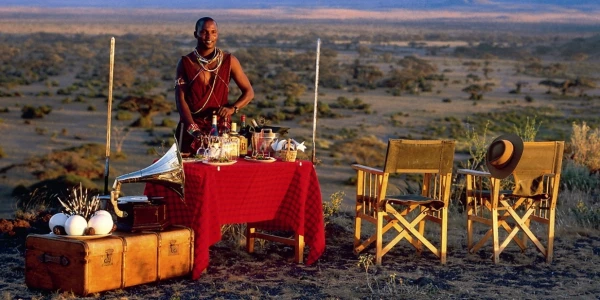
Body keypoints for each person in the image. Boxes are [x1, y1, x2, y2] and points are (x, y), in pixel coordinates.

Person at [174, 17, 254, 154]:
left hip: (221, 128)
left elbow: (249, 92)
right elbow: (180, 101)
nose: (209, 36)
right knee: (189, 172)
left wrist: (232, 109)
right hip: (191, 127)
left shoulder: (229, 61)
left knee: (222, 168)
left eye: (213, 32)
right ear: (196, 34)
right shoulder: (186, 63)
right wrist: (194, 130)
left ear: (217, 34)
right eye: (204, 32)